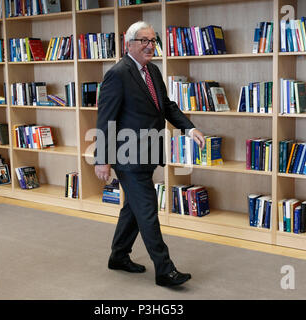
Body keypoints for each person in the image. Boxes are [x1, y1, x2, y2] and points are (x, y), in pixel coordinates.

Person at [94, 21, 205, 287]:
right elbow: (106, 119)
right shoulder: (117, 74)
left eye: (153, 41)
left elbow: (165, 106)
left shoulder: (153, 71)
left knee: (133, 208)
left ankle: (118, 256)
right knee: (147, 210)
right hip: (127, 155)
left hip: (148, 152)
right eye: (143, 40)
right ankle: (165, 270)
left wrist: (189, 129)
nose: (149, 46)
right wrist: (102, 159)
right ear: (128, 44)